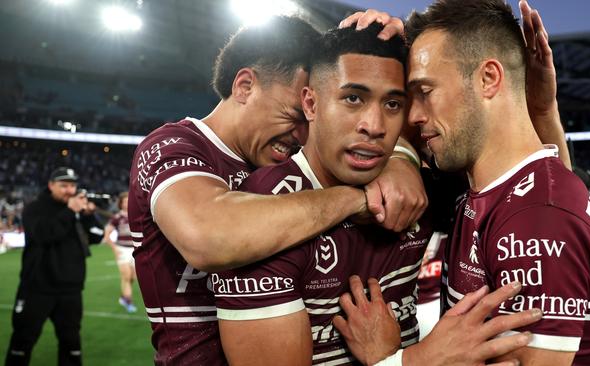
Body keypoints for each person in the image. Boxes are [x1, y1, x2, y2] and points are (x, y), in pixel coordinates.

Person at [212, 23, 542, 366]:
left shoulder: (419, 193)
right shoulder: (264, 212)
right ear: (310, 103)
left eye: (393, 104)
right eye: (353, 98)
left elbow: (544, 201)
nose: (374, 125)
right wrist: (407, 361)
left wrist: (545, 110)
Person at [128, 15, 428, 365]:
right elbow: (207, 234)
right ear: (244, 86)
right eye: (294, 116)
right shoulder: (173, 146)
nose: (304, 133)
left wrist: (400, 160)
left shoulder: (272, 159)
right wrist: (355, 197)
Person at [337, 1, 590, 365]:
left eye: (425, 91)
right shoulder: (490, 190)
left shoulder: (538, 220)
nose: (416, 115)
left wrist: (392, 360)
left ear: (488, 79)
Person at [5, 167, 104, 366]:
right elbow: (45, 234)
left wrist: (87, 215)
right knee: (22, 343)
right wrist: (70, 211)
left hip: (70, 291)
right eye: (63, 185)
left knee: (71, 345)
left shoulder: (76, 209)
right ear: (51, 185)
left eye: (72, 185)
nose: (69, 190)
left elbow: (96, 236)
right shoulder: (35, 208)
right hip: (37, 289)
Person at [102, 192, 137, 313]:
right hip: (122, 249)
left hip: (135, 250)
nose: (127, 203)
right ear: (120, 203)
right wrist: (115, 249)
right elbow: (107, 235)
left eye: (129, 201)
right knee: (126, 276)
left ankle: (123, 297)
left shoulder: (137, 215)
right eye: (125, 201)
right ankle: (128, 301)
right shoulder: (117, 217)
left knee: (133, 277)